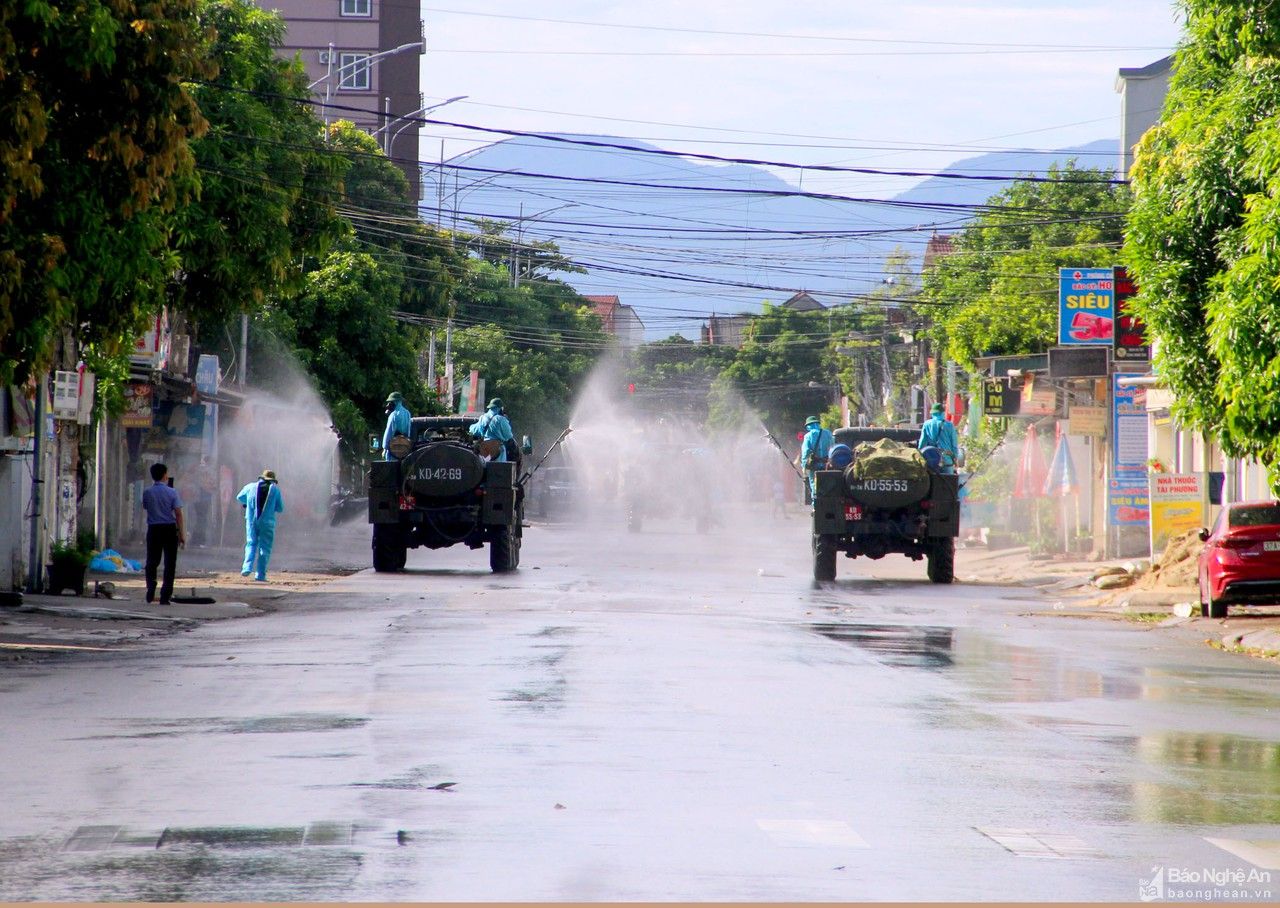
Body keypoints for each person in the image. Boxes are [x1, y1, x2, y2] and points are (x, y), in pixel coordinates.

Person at [141, 462, 185, 604]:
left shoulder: (147, 492)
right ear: (165, 475)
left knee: (152, 561)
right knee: (170, 563)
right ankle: (165, 595)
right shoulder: (172, 492)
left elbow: (146, 507)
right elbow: (178, 513)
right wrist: (182, 534)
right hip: (169, 529)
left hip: (153, 530)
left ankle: (151, 586)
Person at [237, 469, 284, 581]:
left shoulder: (250, 487)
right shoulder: (275, 491)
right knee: (264, 548)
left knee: (251, 543)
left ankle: (246, 568)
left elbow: (239, 497)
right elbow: (280, 508)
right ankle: (260, 575)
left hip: (251, 521)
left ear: (261, 478)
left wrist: (247, 503)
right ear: (272, 481)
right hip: (267, 523)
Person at [797, 415, 833, 503]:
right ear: (818, 424)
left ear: (808, 426)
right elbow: (833, 448)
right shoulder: (828, 433)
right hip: (827, 467)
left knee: (815, 489)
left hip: (815, 467)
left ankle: (816, 508)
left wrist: (804, 466)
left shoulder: (808, 436)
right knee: (829, 489)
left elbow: (806, 452)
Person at [469, 397, 515, 462]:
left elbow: (474, 430)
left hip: (484, 448)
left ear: (490, 407)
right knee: (499, 468)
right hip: (497, 449)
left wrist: (470, 427)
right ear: (501, 408)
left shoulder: (483, 418)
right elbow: (509, 436)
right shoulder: (501, 419)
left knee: (484, 466)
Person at [918, 402, 960, 474]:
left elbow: (922, 443)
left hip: (931, 460)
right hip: (947, 460)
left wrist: (919, 455)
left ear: (932, 413)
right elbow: (954, 444)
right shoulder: (949, 425)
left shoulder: (926, 424)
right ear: (942, 413)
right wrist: (955, 458)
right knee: (949, 483)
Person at [382, 391, 412, 460]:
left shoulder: (393, 415)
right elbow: (408, 431)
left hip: (393, 447)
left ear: (395, 402)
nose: (388, 405)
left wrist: (385, 448)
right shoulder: (407, 413)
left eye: (390, 402)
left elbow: (389, 432)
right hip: (404, 446)